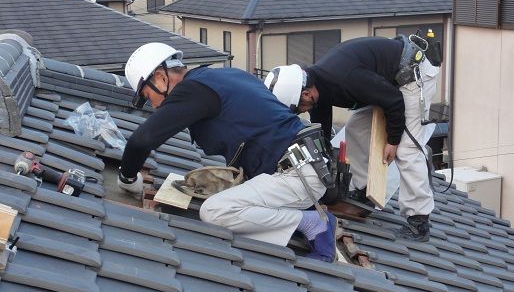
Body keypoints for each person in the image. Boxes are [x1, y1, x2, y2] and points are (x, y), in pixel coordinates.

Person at [117, 42, 337, 262]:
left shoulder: (193, 90)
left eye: (147, 96)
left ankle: (314, 223)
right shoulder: (225, 76)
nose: (153, 106)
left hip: (298, 174)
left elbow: (142, 140)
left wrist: (127, 178)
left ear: (160, 77)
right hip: (307, 164)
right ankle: (297, 217)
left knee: (214, 211)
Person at [265, 36, 440, 242]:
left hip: (413, 77)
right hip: (390, 82)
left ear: (305, 94)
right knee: (356, 127)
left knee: (406, 149)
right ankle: (361, 188)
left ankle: (419, 221)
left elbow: (393, 102)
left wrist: (392, 141)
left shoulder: (344, 77)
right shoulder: (319, 84)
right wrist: (323, 156)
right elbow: (322, 127)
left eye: (298, 107)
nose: (302, 111)